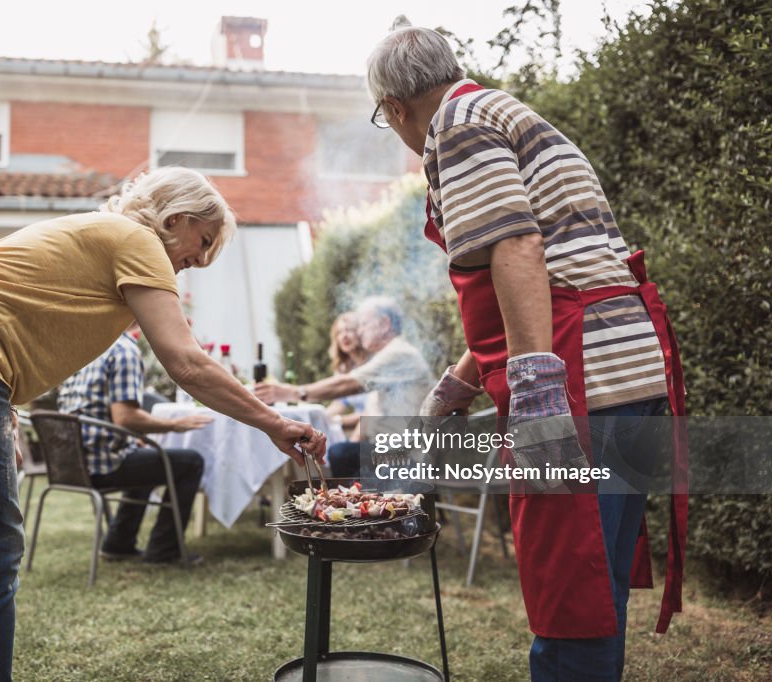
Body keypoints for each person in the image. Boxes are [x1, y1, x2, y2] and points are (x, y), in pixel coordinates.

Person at [0, 167, 327, 681]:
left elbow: (13, 299)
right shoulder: (138, 241)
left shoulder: (102, 235)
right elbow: (186, 362)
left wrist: (3, 410)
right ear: (175, 218)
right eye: (200, 243)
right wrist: (272, 422)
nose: (195, 263)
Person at [366, 24, 687, 681]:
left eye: (384, 117)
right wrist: (460, 381)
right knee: (599, 591)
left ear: (395, 107)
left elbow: (518, 250)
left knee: (573, 598)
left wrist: (538, 398)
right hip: (627, 373)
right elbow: (550, 260)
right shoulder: (507, 112)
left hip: (581, 385)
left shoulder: (455, 123)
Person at [56, 327, 210, 564]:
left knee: (145, 457)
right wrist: (175, 424)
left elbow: (87, 412)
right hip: (103, 466)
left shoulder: (85, 350)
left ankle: (118, 543)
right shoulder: (123, 350)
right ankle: (164, 549)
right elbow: (125, 418)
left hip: (73, 465)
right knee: (190, 462)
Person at [255, 296, 430, 478]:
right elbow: (370, 415)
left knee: (339, 454)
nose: (359, 333)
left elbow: (347, 384)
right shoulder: (389, 355)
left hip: (410, 454)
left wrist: (292, 392)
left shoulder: (398, 353)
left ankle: (357, 503)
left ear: (385, 324)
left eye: (363, 325)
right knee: (340, 453)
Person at [324, 311, 370, 434]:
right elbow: (339, 403)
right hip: (359, 429)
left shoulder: (373, 364)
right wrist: (321, 418)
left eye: (349, 330)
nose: (344, 336)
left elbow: (372, 413)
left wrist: (339, 420)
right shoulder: (343, 368)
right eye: (339, 332)